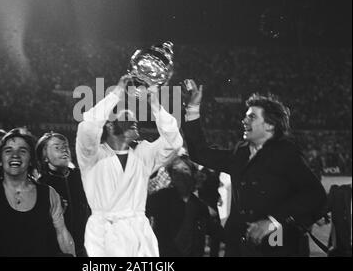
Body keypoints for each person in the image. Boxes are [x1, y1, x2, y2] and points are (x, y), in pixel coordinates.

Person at [182, 79, 327, 256]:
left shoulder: (286, 154)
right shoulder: (240, 153)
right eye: (246, 115)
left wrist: (273, 221)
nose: (244, 120)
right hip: (239, 246)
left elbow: (314, 193)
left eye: (252, 116)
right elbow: (200, 153)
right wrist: (192, 109)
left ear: (270, 125)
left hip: (276, 245)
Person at [0, 79, 75, 257]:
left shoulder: (49, 194)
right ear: (0, 160)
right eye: (8, 150)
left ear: (31, 160)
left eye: (22, 150)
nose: (15, 155)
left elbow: (63, 236)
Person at [76, 74, 183, 257]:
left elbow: (173, 142)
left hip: (139, 233)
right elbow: (87, 127)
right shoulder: (92, 156)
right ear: (109, 126)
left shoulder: (143, 154)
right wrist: (116, 93)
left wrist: (155, 104)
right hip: (104, 234)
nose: (134, 120)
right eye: (126, 115)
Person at [36, 132, 90, 257]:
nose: (64, 149)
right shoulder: (41, 185)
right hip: (56, 250)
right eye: (57, 147)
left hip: (86, 246)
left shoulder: (81, 176)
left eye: (65, 146)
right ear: (45, 157)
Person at [147, 155, 209, 257]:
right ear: (171, 175)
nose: (180, 174)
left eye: (185, 169)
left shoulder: (199, 206)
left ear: (193, 174)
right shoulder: (160, 198)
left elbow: (213, 231)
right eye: (175, 171)